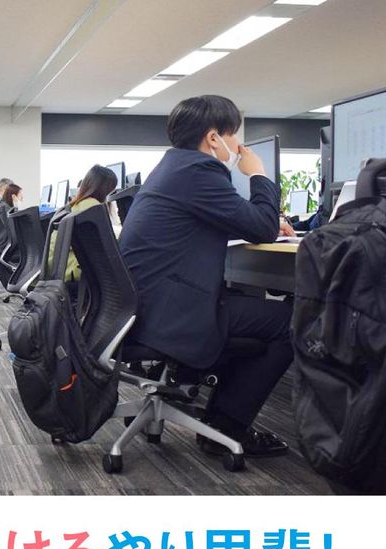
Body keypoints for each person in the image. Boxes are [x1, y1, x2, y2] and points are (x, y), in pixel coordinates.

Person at [118, 95, 294, 457]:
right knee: (293, 321)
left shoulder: (174, 168)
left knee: (249, 310)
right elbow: (261, 228)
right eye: (233, 136)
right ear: (214, 138)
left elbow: (215, 221)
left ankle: (219, 416)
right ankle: (225, 427)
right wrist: (258, 173)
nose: (238, 146)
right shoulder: (199, 171)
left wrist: (259, 220)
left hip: (144, 306)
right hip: (168, 314)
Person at [47, 165, 118, 297]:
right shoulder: (93, 207)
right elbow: (107, 243)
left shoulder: (73, 206)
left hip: (58, 270)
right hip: (72, 273)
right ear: (105, 189)